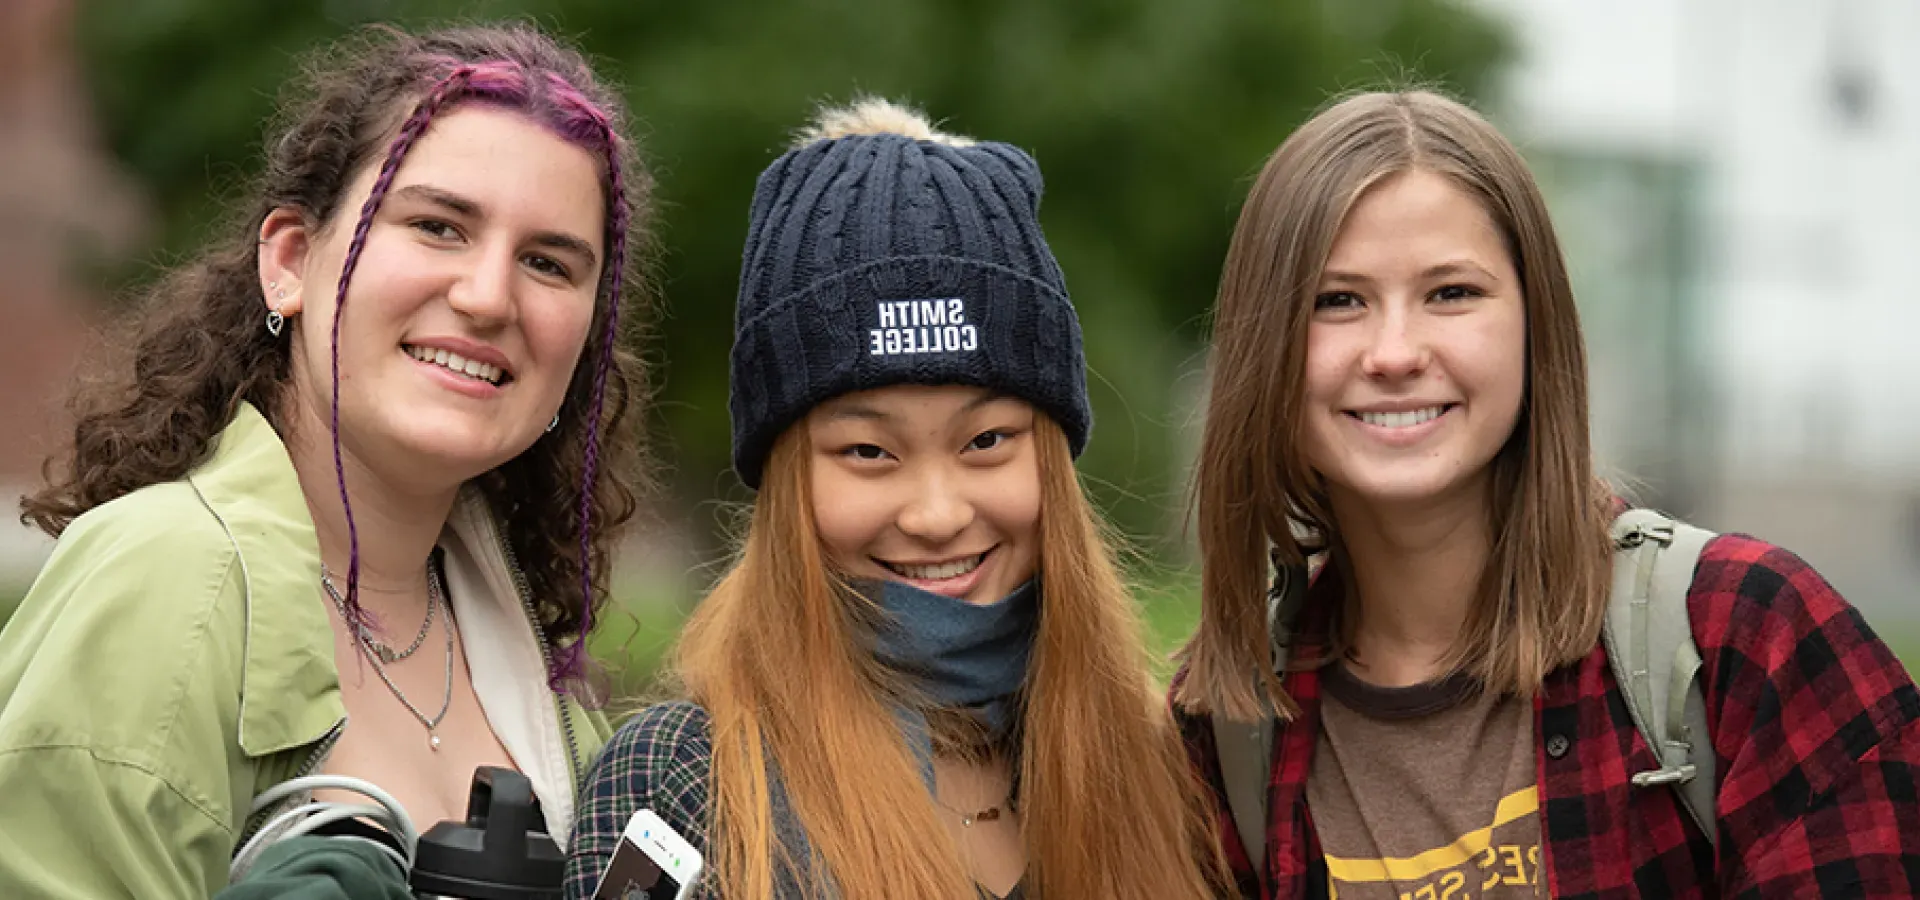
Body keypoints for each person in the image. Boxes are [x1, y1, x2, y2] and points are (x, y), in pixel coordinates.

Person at [1171, 88, 1920, 898]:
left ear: (1538, 325)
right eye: (1336, 301)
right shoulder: (1226, 738)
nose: (1393, 352)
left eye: (1451, 292)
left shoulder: (1748, 640)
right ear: (1263, 347)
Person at [0, 22, 654, 896]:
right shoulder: (163, 580)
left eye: (548, 262)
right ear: (290, 263)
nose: (489, 296)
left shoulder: (541, 680)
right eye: (438, 226)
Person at [564, 98, 1229, 900]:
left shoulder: (1156, 767)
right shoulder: (682, 786)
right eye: (869, 452)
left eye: (987, 441)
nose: (937, 513)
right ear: (786, 482)